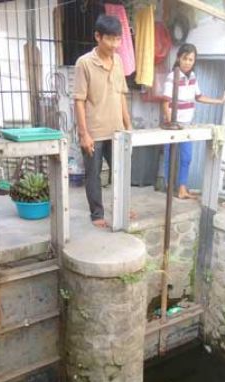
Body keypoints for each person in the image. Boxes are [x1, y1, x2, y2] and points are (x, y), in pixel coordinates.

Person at [73, 14, 133, 228]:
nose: (115, 44)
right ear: (97, 36)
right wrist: (84, 134)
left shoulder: (118, 61)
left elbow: (122, 95)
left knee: (122, 171)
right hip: (94, 133)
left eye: (118, 39)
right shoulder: (84, 63)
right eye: (110, 39)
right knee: (94, 175)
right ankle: (97, 214)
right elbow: (79, 101)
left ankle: (123, 207)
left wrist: (128, 126)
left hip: (117, 131)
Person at [162, 43, 225, 199]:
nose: (188, 62)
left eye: (191, 59)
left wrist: (219, 101)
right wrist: (172, 123)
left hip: (187, 126)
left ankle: (182, 189)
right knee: (170, 157)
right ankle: (168, 188)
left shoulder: (193, 77)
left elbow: (199, 97)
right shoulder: (172, 77)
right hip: (173, 126)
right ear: (179, 58)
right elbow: (165, 103)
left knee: (186, 157)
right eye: (185, 58)